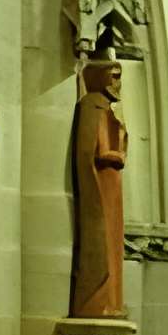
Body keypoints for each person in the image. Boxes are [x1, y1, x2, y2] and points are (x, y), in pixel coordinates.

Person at [71, 60, 128, 319]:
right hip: (101, 182)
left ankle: (112, 302)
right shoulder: (92, 106)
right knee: (103, 240)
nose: (118, 84)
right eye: (113, 77)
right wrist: (118, 150)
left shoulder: (105, 108)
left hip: (111, 182)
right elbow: (97, 151)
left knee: (114, 243)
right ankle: (98, 302)